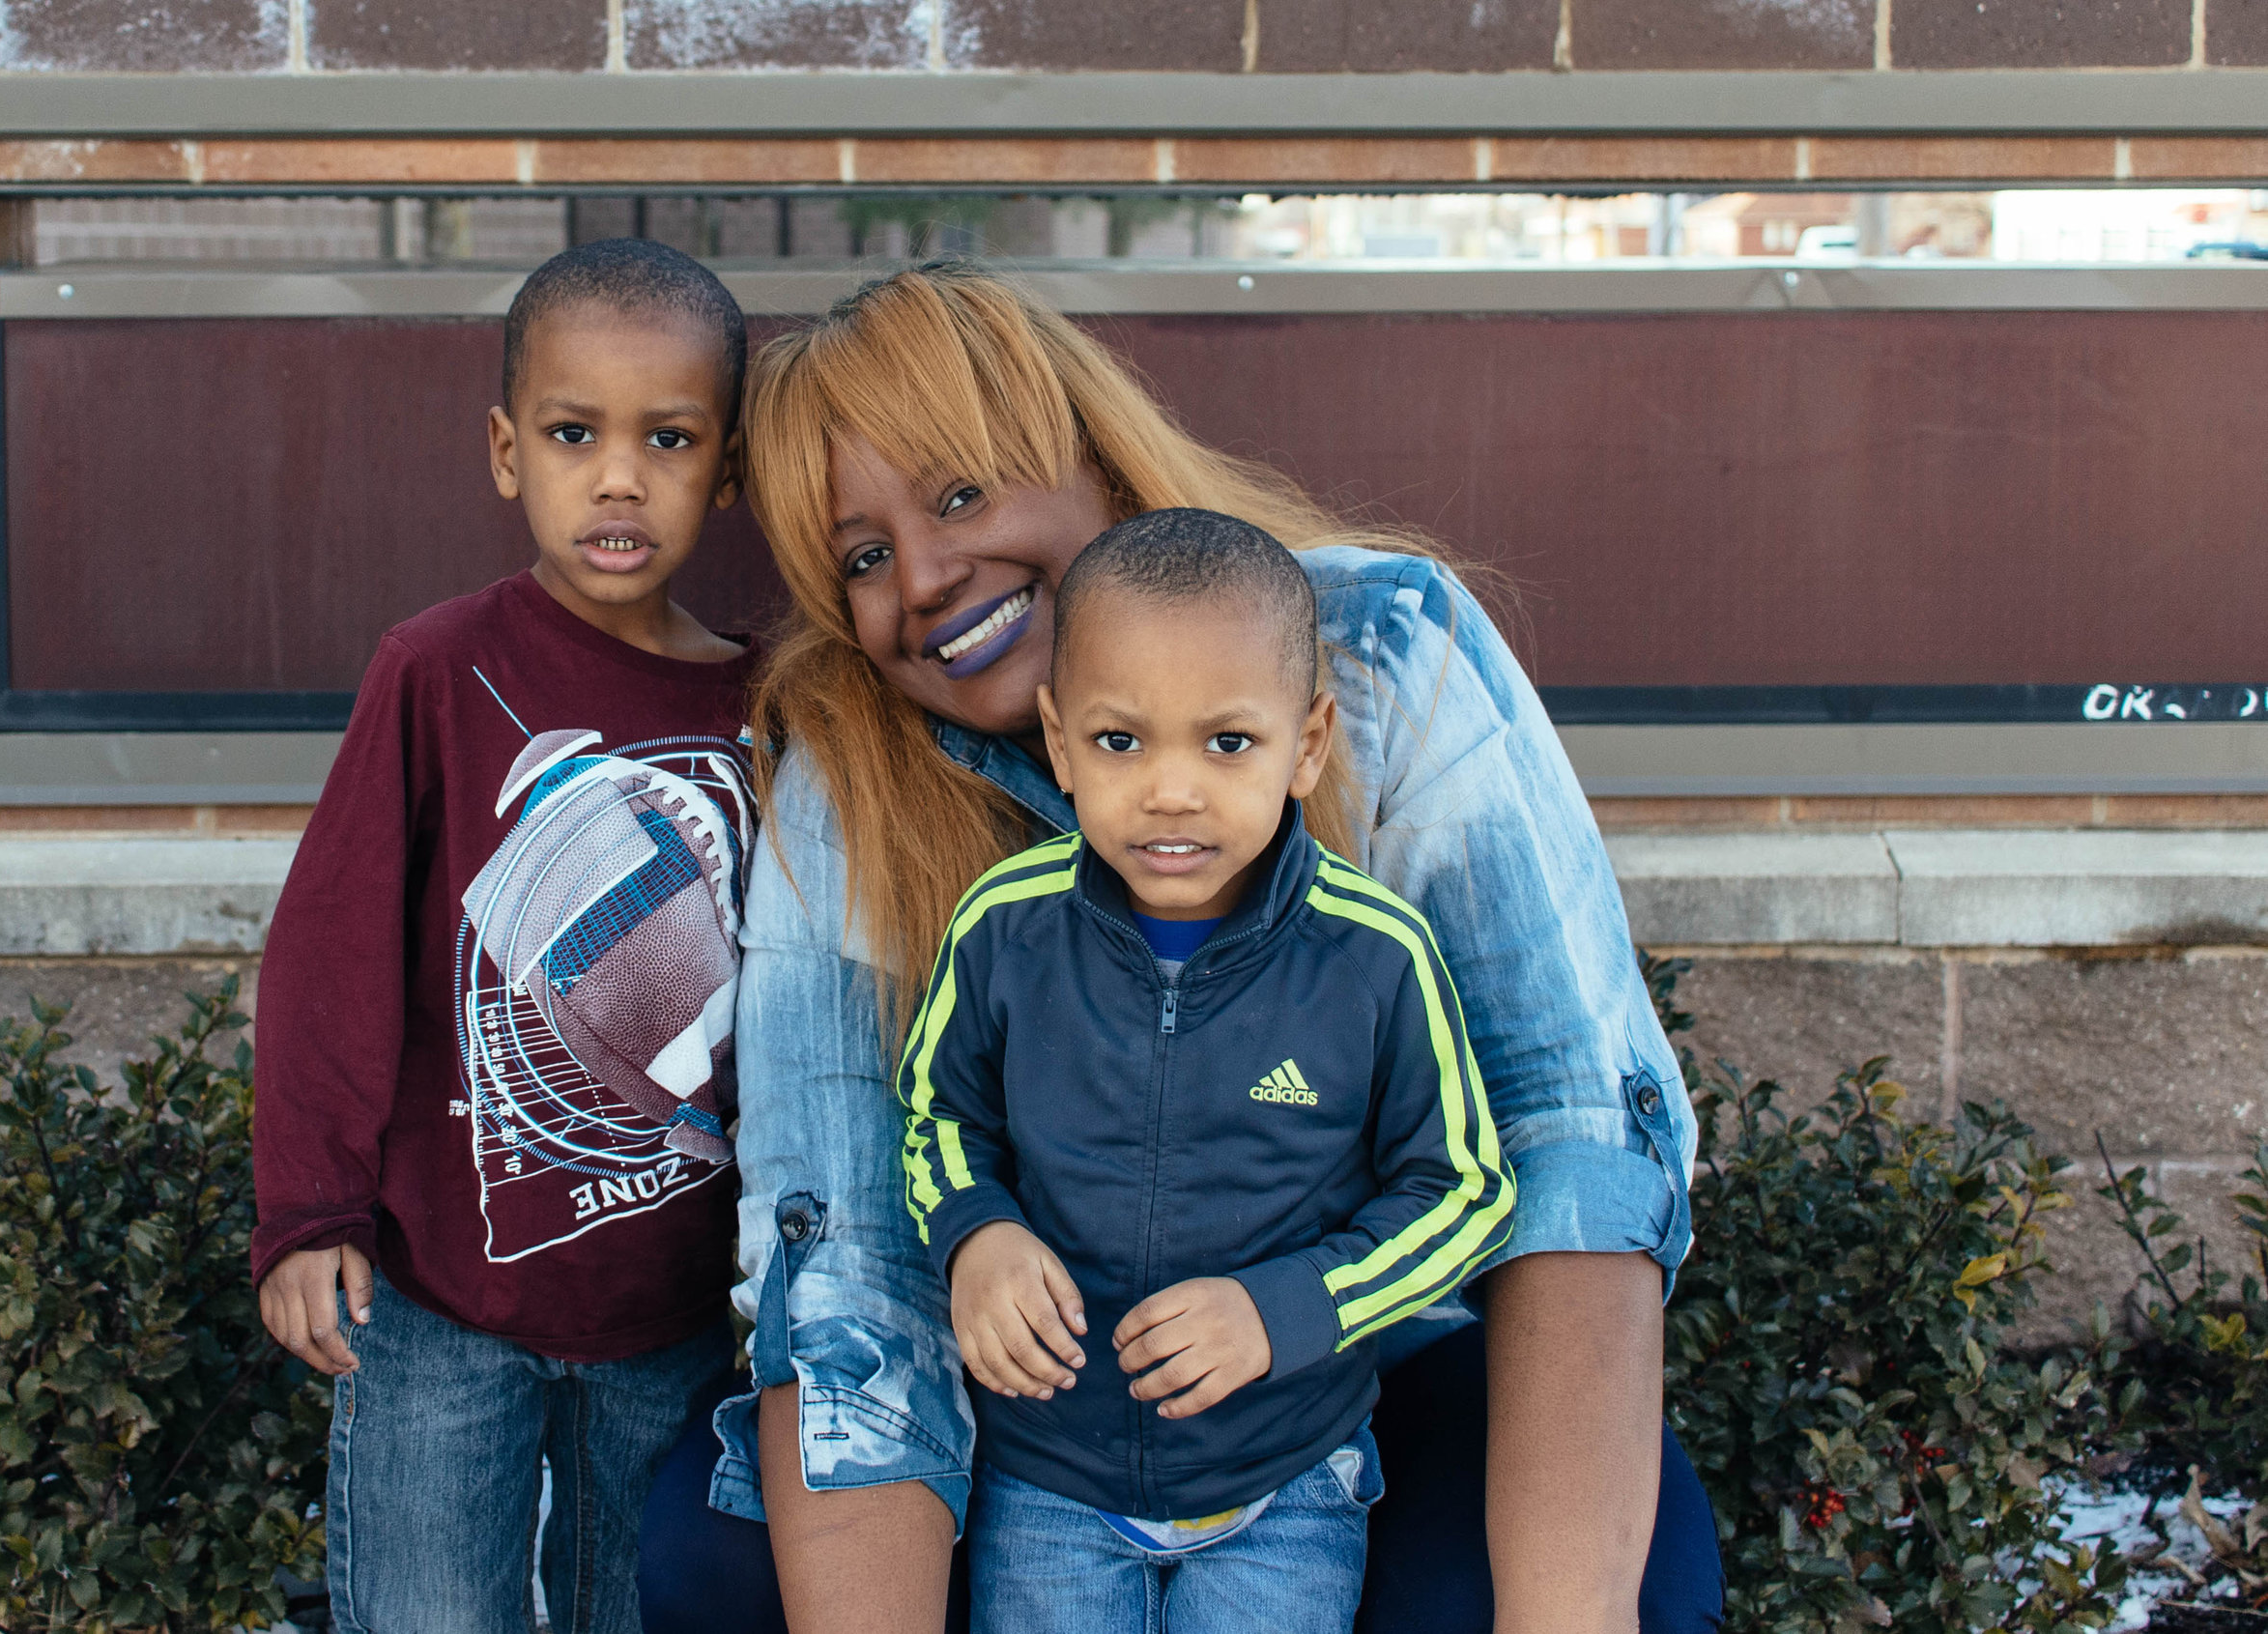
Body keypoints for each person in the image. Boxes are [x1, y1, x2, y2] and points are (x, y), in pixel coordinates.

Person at [639, 262, 1723, 1634]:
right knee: (716, 1555)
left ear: (1085, 449)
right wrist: (979, 1238)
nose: (922, 576)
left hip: (1373, 1348)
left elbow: (1567, 1133)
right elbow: (849, 1238)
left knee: (1593, 1587)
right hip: (1043, 1404)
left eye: (961, 493)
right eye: (861, 556)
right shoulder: (850, 780)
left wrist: (1564, 1612)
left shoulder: (1381, 651)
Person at [252, 238, 761, 1634]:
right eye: (571, 432)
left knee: (633, 1608)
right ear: (503, 449)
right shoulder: (436, 665)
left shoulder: (766, 707)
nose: (617, 475)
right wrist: (310, 1211)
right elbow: (327, 955)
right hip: (436, 1301)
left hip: (666, 1304)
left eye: (668, 438)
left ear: (726, 470)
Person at [908, 509, 1517, 1633]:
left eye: (1227, 742)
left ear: (1309, 744)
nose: (1171, 790)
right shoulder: (1002, 930)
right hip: (1050, 1476)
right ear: (1057, 740)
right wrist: (976, 1233)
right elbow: (939, 1116)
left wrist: (1284, 1309)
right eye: (1120, 741)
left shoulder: (1375, 957)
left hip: (1281, 1478)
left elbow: (1466, 1191)